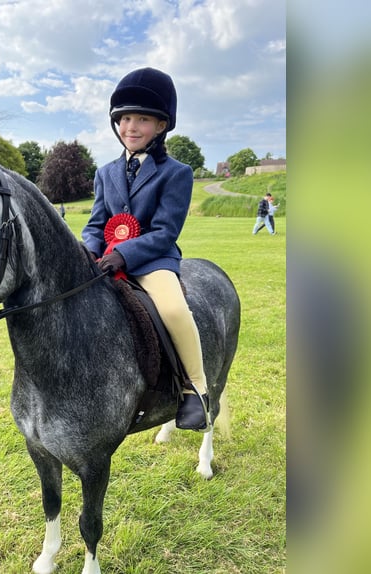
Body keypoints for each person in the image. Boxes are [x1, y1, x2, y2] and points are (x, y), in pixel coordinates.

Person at [81, 67, 210, 432]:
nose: (130, 127)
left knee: (172, 308)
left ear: (161, 125)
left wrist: (125, 255)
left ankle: (195, 389)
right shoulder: (105, 172)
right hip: (106, 260)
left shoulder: (176, 173)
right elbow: (95, 223)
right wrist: (88, 252)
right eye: (123, 119)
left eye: (142, 119)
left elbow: (165, 231)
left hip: (153, 261)